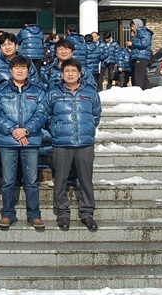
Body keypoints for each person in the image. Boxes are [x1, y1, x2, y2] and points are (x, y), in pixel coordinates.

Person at [0, 56, 48, 230]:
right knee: (8, 180)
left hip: (30, 141)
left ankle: (34, 214)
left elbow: (42, 113)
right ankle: (7, 214)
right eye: (16, 67)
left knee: (31, 181)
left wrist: (26, 130)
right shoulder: (0, 90)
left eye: (23, 67)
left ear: (29, 70)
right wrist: (14, 130)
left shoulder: (38, 91)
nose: (20, 71)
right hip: (8, 141)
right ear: (11, 70)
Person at [48, 58, 101, 231]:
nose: (70, 74)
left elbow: (95, 115)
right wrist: (55, 130)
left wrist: (88, 129)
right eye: (67, 71)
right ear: (62, 73)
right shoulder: (53, 93)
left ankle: (87, 213)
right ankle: (62, 213)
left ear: (80, 73)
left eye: (73, 71)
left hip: (84, 143)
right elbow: (46, 115)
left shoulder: (90, 93)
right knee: (60, 180)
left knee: (86, 180)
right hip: (62, 143)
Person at [129, 19, 153, 89]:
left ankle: (138, 92)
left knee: (138, 78)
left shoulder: (143, 32)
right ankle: (149, 92)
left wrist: (132, 43)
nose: (131, 28)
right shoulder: (138, 33)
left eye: (133, 26)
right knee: (144, 79)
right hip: (139, 56)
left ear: (137, 25)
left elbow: (144, 43)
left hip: (141, 57)